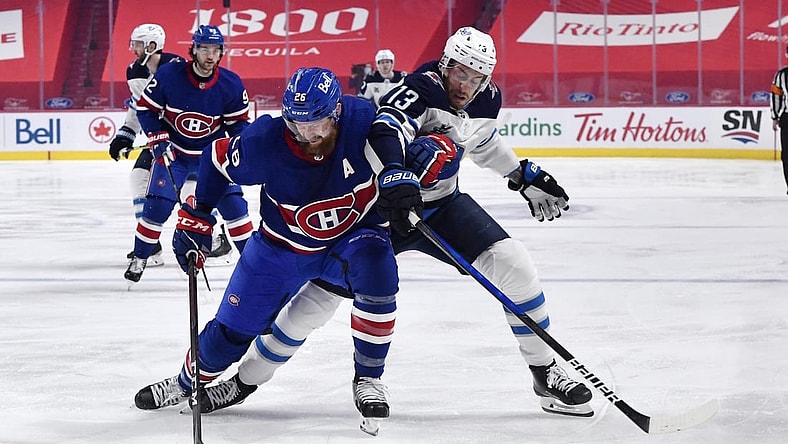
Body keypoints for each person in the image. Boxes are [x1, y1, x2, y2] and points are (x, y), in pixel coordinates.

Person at [199, 27, 594, 421]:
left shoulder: (487, 98)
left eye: (476, 78)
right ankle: (245, 381)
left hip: (441, 207)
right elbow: (386, 127)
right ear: (445, 65)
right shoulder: (421, 88)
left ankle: (544, 372)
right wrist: (394, 173)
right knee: (311, 308)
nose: (465, 85)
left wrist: (520, 173)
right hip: (380, 209)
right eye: (459, 73)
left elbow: (483, 142)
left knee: (513, 263)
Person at [133, 67, 404, 434]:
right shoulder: (265, 141)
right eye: (297, 123)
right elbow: (215, 157)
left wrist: (415, 169)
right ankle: (186, 382)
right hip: (280, 250)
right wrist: (196, 217)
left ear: (337, 111)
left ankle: (369, 378)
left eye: (317, 124)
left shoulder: (363, 120)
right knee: (230, 335)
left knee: (379, 272)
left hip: (349, 240)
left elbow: (407, 137)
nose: (306, 134)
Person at [124, 25, 253, 285]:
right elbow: (146, 110)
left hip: (213, 159)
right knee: (157, 207)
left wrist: (243, 143)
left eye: (215, 50)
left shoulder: (230, 84)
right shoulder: (170, 75)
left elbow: (237, 124)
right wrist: (156, 135)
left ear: (221, 53)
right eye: (204, 48)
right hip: (176, 155)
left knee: (236, 208)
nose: (209, 55)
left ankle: (254, 265)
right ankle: (140, 257)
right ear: (193, 50)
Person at [769, 47, 788, 195]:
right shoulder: (781, 75)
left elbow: (776, 97)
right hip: (787, 118)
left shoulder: (781, 75)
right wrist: (775, 116)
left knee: (787, 154)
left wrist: (775, 117)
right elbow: (776, 96)